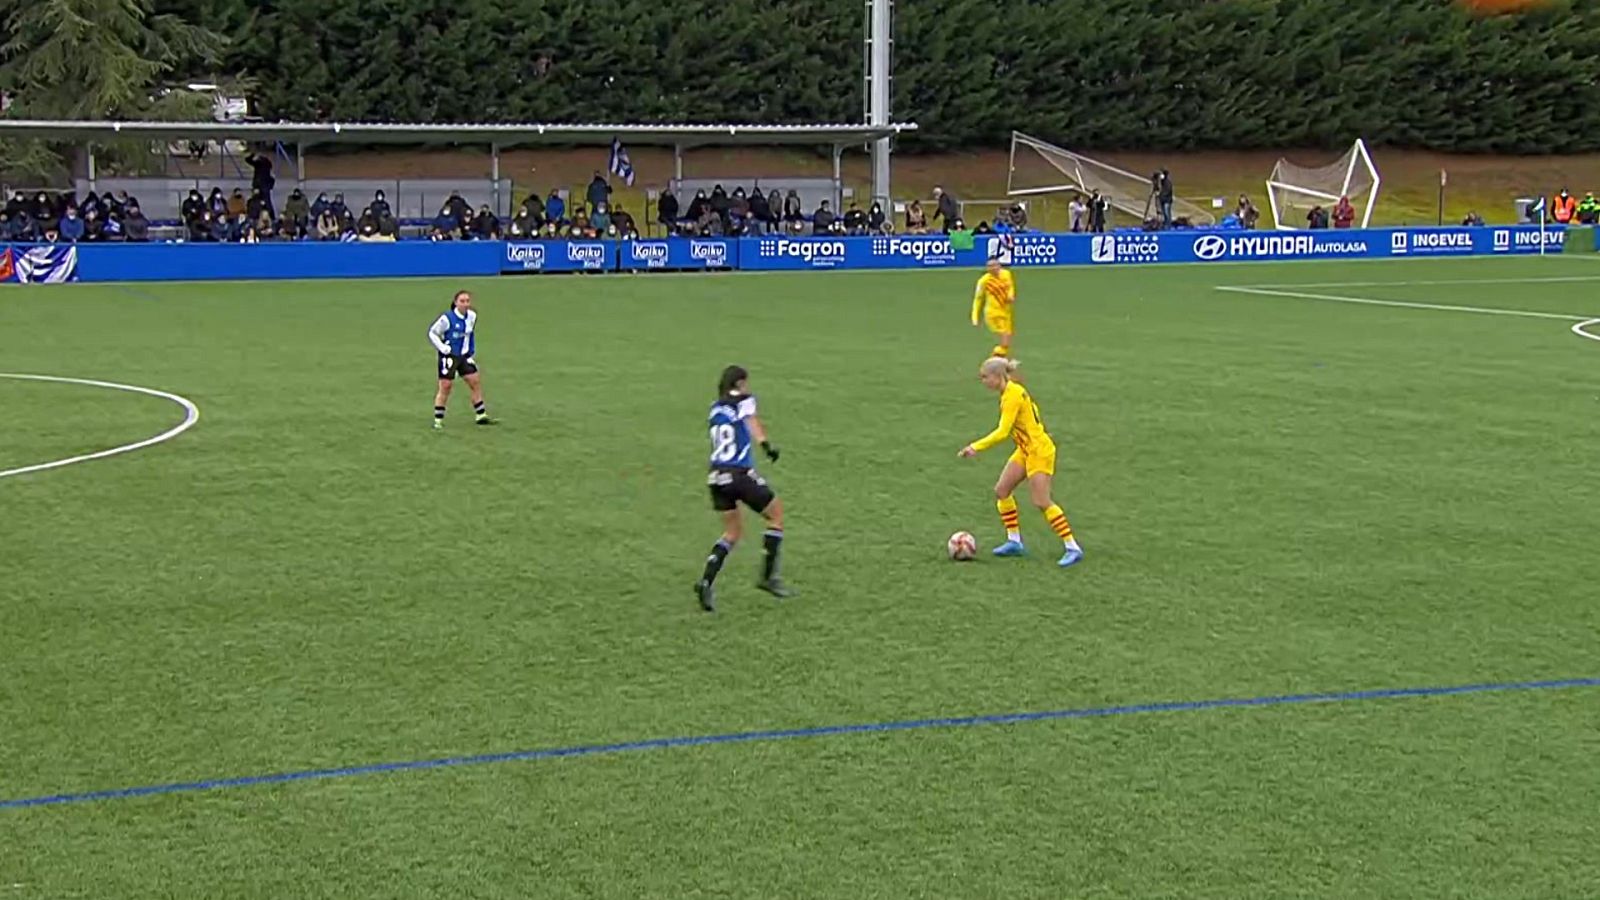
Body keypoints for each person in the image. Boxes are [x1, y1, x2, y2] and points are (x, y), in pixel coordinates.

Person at [958, 357, 1083, 568]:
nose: (983, 381)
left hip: (1038, 452)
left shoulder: (1012, 396)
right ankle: (1014, 541)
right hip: (1025, 450)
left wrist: (975, 447)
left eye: (985, 377)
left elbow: (1003, 432)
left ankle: (1072, 547)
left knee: (1042, 501)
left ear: (997, 377)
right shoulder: (1011, 391)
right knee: (1002, 490)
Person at [695, 365, 789, 612]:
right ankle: (768, 577)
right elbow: (751, 422)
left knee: (732, 533)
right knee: (776, 515)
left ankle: (705, 581)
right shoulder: (744, 401)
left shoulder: (715, 408)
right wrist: (767, 446)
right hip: (739, 474)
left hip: (716, 477)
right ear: (739, 384)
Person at [426, 290, 495, 429]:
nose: (465, 304)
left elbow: (468, 335)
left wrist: (469, 352)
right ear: (456, 303)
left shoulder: (472, 316)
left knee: (475, 381)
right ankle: (438, 420)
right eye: (462, 301)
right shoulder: (447, 319)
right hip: (449, 355)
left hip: (463, 356)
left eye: (467, 301)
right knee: (446, 386)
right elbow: (432, 333)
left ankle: (480, 414)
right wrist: (442, 347)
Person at [971, 257, 1017, 358]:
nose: (993, 268)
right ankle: (996, 362)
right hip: (993, 313)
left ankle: (997, 360)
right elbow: (978, 299)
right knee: (1005, 339)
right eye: (990, 266)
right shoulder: (984, 281)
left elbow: (1010, 286)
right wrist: (975, 317)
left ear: (999, 266)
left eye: (995, 265)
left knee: (1007, 341)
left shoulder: (1006, 274)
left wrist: (1011, 295)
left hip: (1006, 311)